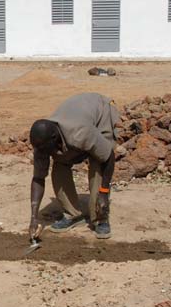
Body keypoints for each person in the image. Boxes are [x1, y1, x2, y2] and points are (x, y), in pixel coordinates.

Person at [28, 93, 119, 240]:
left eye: (45, 149)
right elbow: (38, 178)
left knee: (98, 163)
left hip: (100, 114)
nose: (43, 153)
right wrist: (34, 217)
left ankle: (100, 218)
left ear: (54, 139)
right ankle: (73, 214)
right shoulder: (42, 143)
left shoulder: (80, 133)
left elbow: (108, 158)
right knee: (60, 164)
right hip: (76, 117)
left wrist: (103, 192)